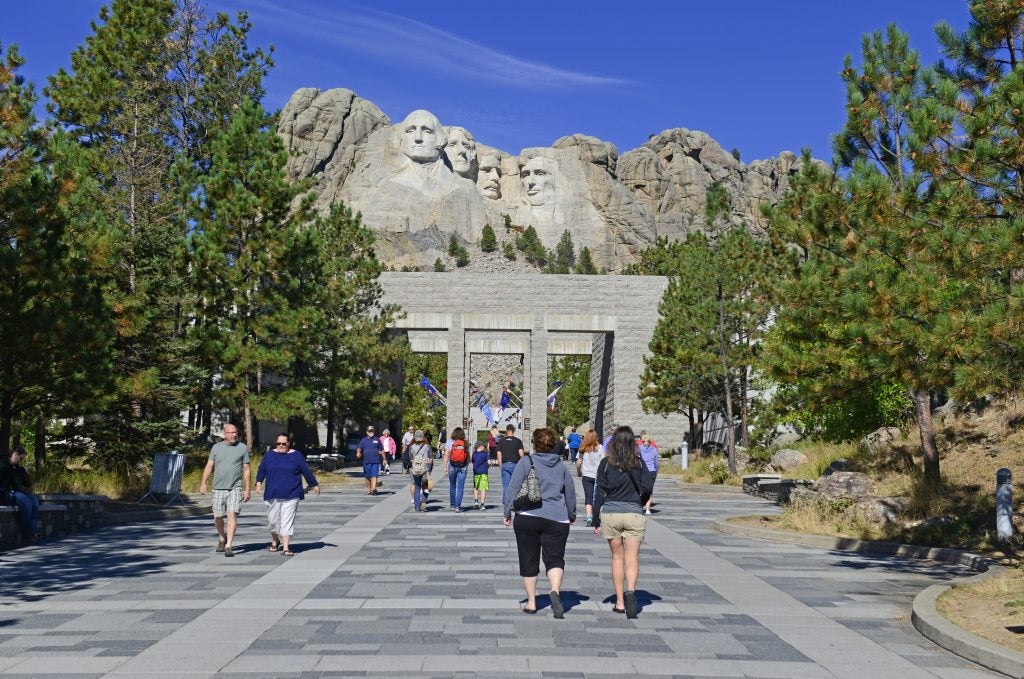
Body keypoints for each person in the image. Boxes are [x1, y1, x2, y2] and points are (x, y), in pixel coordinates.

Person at [504, 427, 577, 618]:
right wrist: (571, 514)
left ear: (534, 444)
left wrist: (507, 511)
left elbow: (513, 487)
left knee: (529, 559)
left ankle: (532, 602)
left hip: (528, 516)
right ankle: (554, 590)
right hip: (557, 518)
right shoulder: (561, 466)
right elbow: (570, 492)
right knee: (555, 558)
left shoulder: (526, 461)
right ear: (554, 444)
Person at [592, 426, 654, 618]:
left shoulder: (606, 463)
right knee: (632, 558)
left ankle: (619, 602)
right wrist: (641, 503)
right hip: (634, 512)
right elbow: (649, 485)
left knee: (617, 558)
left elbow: (598, 492)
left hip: (611, 513)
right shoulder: (639, 463)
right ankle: (631, 592)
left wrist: (595, 518)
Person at [255, 434, 320, 556]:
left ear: (289, 443)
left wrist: (314, 485)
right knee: (273, 521)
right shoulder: (269, 455)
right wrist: (258, 482)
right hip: (272, 493)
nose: (281, 446)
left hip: (292, 493)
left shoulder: (296, 456)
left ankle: (286, 547)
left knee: (287, 521)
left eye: (283, 444)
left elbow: (306, 471)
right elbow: (262, 469)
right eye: (278, 443)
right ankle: (275, 540)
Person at [198, 424, 251, 557]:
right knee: (217, 517)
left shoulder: (242, 448)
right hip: (218, 487)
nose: (234, 435)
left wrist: (248, 489)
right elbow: (209, 465)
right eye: (231, 432)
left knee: (232, 514)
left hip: (235, 487)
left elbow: (246, 469)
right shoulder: (216, 447)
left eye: (236, 432)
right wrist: (203, 482)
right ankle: (222, 537)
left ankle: (229, 546)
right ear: (225, 434)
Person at [0, 446, 40, 543]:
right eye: (19, 457)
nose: (19, 460)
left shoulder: (17, 467)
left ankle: (33, 531)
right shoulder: (2, 463)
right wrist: (15, 471)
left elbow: (26, 484)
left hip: (12, 491)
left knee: (34, 501)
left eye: (21, 459)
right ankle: (27, 532)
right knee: (24, 501)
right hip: (2, 492)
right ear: (13, 454)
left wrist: (25, 473)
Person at [575, 430, 605, 526]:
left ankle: (589, 518)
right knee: (598, 497)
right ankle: (596, 516)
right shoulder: (600, 447)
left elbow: (578, 462)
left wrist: (579, 471)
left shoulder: (583, 448)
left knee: (588, 497)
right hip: (598, 475)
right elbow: (603, 462)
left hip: (587, 475)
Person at [496, 424, 525, 506]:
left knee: (506, 485)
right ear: (513, 431)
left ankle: (506, 502)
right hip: (515, 465)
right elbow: (521, 454)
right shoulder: (518, 441)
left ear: (506, 430)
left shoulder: (501, 441)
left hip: (505, 464)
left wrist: (500, 465)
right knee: (515, 485)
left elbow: (499, 453)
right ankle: (514, 501)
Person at [444, 427, 470, 512]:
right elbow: (468, 456)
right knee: (460, 487)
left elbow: (446, 455)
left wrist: (445, 467)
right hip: (462, 467)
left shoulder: (449, 442)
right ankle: (458, 507)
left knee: (452, 485)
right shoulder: (465, 443)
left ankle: (452, 505)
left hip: (452, 466)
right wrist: (466, 465)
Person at [407, 430, 433, 512]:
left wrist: (416, 463)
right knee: (426, 486)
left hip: (416, 470)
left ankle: (417, 507)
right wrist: (429, 467)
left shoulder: (411, 447)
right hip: (425, 469)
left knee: (417, 487)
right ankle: (424, 500)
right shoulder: (427, 446)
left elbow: (411, 459)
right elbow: (431, 459)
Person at [357, 425, 385, 496]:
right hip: (366, 461)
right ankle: (369, 489)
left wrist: (384, 459)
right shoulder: (363, 440)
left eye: (372, 430)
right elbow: (359, 448)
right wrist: (358, 453)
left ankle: (373, 489)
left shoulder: (377, 439)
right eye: (369, 431)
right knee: (367, 477)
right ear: (367, 432)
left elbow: (382, 450)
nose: (371, 432)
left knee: (374, 476)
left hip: (375, 461)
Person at [638, 431, 659, 515]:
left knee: (641, 490)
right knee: (650, 491)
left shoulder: (638, 448)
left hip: (642, 471)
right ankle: (648, 509)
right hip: (651, 472)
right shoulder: (654, 450)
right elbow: (656, 463)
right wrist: (656, 471)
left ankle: (640, 506)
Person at [471, 442, 491, 510]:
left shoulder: (474, 454)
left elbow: (473, 462)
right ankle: (482, 504)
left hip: (476, 473)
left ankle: (476, 502)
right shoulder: (486, 454)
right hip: (484, 473)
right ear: (481, 446)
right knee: (483, 488)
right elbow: (489, 463)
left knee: (476, 487)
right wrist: (487, 467)